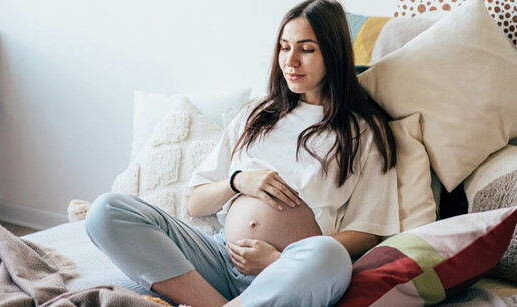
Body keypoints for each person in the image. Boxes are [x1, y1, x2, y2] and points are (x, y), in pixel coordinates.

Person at [85, 0, 400, 306]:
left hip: (292, 271)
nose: (291, 61)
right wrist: (238, 182)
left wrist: (280, 260)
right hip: (220, 257)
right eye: (284, 47)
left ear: (334, 54)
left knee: (330, 257)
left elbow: (368, 232)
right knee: (105, 210)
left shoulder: (362, 131)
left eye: (306, 49)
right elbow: (196, 203)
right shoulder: (257, 114)